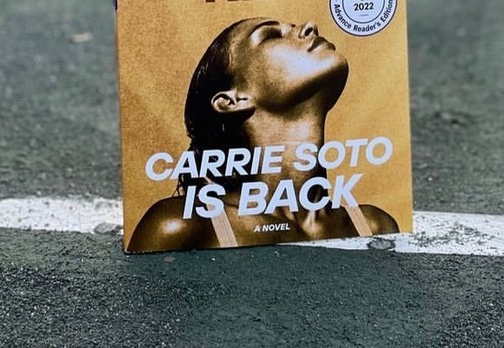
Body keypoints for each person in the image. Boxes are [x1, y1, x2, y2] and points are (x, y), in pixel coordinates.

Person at [128, 17, 398, 251]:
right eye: (271, 35)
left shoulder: (374, 227)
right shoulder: (183, 226)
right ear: (233, 100)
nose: (310, 27)